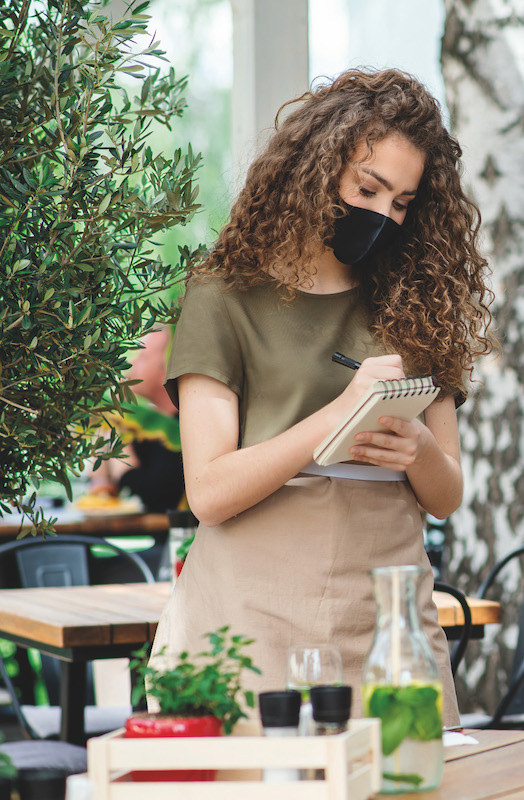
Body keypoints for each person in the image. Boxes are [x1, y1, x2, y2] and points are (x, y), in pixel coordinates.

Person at [155, 69, 493, 722]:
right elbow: (211, 492)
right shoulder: (223, 297)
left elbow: (446, 495)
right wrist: (340, 414)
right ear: (315, 168)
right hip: (248, 610)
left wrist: (418, 447)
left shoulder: (415, 303)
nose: (386, 215)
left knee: (411, 782)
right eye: (370, 188)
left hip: (387, 613)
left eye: (402, 202)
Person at [88, 326, 186, 513]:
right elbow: (102, 485)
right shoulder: (150, 425)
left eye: (142, 358)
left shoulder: (181, 428)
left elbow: (158, 497)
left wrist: (121, 454)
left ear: (166, 366)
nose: (132, 364)